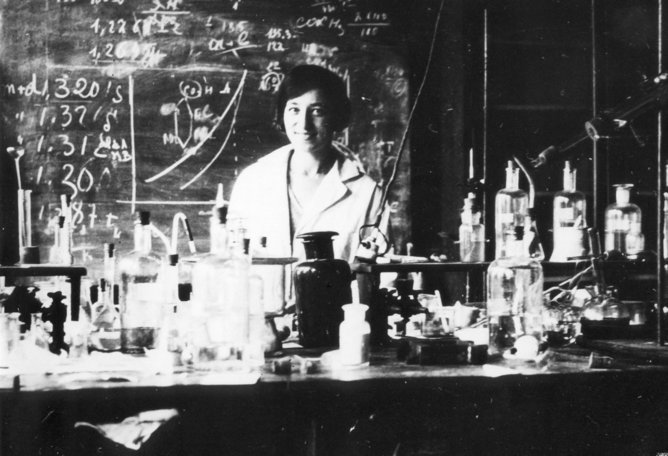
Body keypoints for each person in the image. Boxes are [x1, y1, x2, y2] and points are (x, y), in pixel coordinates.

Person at [228, 64, 387, 263]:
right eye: (294, 109)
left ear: (336, 116)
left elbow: (385, 273)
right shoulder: (252, 181)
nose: (304, 123)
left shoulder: (367, 194)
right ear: (282, 113)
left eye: (317, 111)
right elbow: (231, 262)